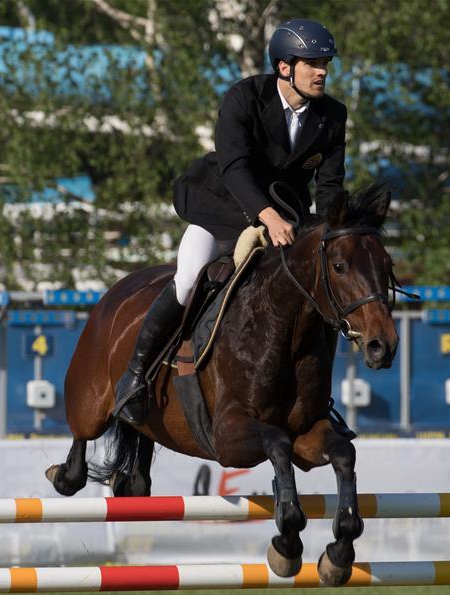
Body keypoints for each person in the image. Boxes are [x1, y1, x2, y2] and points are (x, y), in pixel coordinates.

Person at [113, 19, 348, 426]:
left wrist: (331, 233)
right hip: (221, 209)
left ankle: (317, 400)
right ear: (284, 67)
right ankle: (134, 378)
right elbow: (235, 167)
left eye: (324, 62)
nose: (322, 70)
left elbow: (329, 185)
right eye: (311, 63)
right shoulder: (245, 97)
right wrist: (268, 216)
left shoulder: (331, 115)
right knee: (187, 278)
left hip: (286, 218)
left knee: (318, 292)